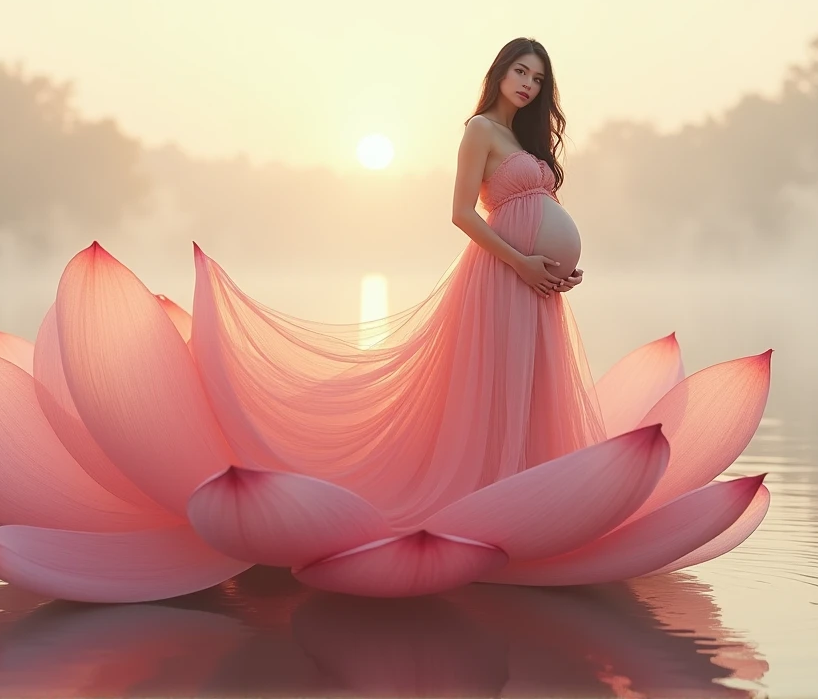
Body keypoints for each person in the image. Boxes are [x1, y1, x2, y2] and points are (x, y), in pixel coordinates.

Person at [190, 37, 608, 530]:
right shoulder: (481, 130)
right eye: (521, 72)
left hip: (538, 288)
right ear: (499, 73)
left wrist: (562, 269)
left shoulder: (526, 143)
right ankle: (490, 507)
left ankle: (534, 507)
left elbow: (544, 208)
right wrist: (520, 262)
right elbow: (460, 214)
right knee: (499, 389)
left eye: (538, 80)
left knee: (532, 389)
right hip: (504, 276)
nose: (528, 85)